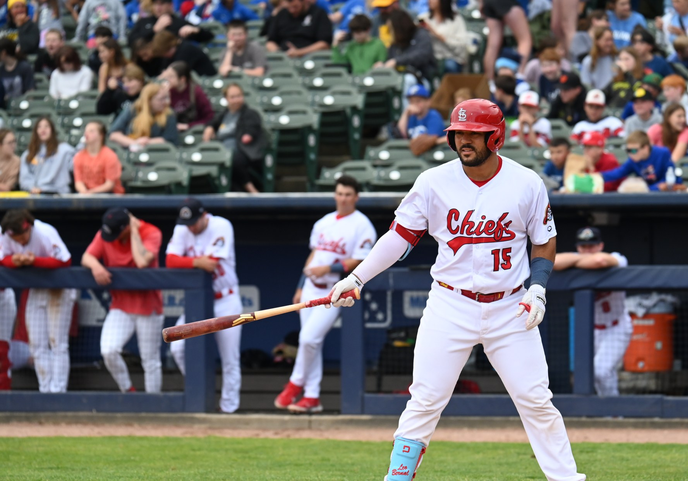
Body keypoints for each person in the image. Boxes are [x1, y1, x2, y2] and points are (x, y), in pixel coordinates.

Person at [324, 98, 586, 480]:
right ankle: (397, 477)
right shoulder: (433, 181)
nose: (465, 140)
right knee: (425, 399)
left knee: (536, 400)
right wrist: (358, 277)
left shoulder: (526, 182)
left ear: (495, 137)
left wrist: (538, 289)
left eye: (474, 133)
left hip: (510, 306)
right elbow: (400, 236)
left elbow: (544, 241)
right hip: (450, 304)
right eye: (459, 133)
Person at [275, 175, 376, 414]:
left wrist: (328, 269)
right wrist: (300, 285)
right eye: (340, 193)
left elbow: (360, 260)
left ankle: (295, 382)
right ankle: (311, 397)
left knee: (309, 339)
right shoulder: (323, 222)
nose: (343, 198)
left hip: (335, 291)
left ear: (356, 197)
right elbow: (313, 258)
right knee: (312, 343)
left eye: (348, 194)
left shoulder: (362, 225)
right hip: (310, 288)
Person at [166, 198, 242, 413]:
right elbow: (170, 260)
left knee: (230, 358)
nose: (190, 227)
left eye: (194, 222)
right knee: (178, 347)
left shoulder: (221, 225)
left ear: (204, 215)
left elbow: (211, 263)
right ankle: (198, 391)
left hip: (226, 299)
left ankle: (228, 409)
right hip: (199, 302)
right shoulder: (182, 228)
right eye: (186, 222)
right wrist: (195, 262)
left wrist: (194, 261)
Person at [82, 208, 164, 393]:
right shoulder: (106, 233)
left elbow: (142, 262)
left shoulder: (151, 232)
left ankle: (153, 406)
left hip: (148, 306)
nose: (113, 237)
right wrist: (96, 266)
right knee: (108, 350)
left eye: (118, 232)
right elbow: (86, 256)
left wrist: (135, 231)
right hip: (121, 305)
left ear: (127, 226)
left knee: (150, 360)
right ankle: (128, 391)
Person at [0, 209, 74, 393]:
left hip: (59, 289)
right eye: (15, 237)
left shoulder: (44, 231)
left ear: (28, 227)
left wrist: (35, 261)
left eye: (21, 236)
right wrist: (14, 260)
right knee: (37, 345)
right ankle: (45, 390)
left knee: (58, 343)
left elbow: (65, 260)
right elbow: (4, 259)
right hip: (36, 289)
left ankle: (58, 392)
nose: (19, 241)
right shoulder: (7, 235)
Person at [554, 227, 631, 396]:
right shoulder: (577, 261)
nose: (588, 250)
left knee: (600, 371)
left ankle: (613, 414)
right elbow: (553, 261)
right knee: (597, 373)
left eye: (592, 246)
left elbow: (600, 262)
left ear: (601, 245)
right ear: (577, 247)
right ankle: (611, 414)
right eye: (583, 247)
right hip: (591, 331)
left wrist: (577, 260)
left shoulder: (617, 258)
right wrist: (581, 259)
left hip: (616, 327)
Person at [203, 83, 268, 193]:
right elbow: (212, 123)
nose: (236, 100)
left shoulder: (250, 113)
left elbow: (252, 127)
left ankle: (252, 190)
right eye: (232, 97)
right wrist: (209, 128)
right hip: (223, 151)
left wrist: (248, 135)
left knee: (232, 158)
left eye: (239, 96)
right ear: (226, 99)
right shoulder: (224, 114)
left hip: (244, 152)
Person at [601, 130, 683, 191]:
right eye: (628, 151)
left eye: (633, 151)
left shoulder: (663, 153)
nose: (630, 154)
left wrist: (649, 188)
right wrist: (598, 176)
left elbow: (669, 178)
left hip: (666, 194)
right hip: (647, 195)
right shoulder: (633, 160)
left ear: (646, 148)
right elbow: (618, 173)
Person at [109, 83, 179, 148]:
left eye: (166, 98)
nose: (165, 102)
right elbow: (114, 135)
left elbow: (169, 139)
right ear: (148, 100)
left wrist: (147, 142)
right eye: (161, 99)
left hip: (156, 152)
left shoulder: (169, 114)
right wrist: (134, 143)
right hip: (130, 150)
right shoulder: (133, 109)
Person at [19, 117, 74, 194]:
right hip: (37, 193)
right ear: (36, 131)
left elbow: (76, 166)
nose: (43, 129)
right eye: (39, 127)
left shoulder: (65, 149)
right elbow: (25, 178)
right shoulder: (28, 154)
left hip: (60, 194)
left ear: (52, 130)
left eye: (46, 126)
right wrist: (32, 187)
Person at [383, 11, 435, 92]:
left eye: (391, 29)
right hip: (398, 78)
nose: (390, 33)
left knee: (407, 80)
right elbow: (390, 61)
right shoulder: (395, 44)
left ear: (399, 27)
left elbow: (422, 55)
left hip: (422, 79)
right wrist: (382, 65)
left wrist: (397, 61)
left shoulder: (421, 34)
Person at [127, 0, 213, 48]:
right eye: (155, 4)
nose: (158, 7)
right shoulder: (144, 21)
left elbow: (208, 35)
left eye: (162, 3)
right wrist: (154, 30)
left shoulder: (177, 22)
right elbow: (131, 40)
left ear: (170, 5)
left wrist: (195, 30)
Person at [481, 0, 532, 80]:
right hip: (508, 3)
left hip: (488, 2)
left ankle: (489, 81)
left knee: (492, 46)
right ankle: (519, 75)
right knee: (524, 40)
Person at [265, 0, 332, 58]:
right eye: (289, 7)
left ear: (304, 1)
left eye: (295, 7)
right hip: (284, 57)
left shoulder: (319, 14)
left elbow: (324, 44)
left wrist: (299, 52)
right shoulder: (282, 14)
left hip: (311, 57)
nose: (292, 10)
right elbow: (270, 42)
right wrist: (280, 53)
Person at [137, 30, 216, 78]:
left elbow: (177, 72)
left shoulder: (186, 49)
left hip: (207, 79)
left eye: (164, 53)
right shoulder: (170, 55)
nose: (164, 56)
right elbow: (163, 70)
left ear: (168, 48)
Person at [161, 61, 214, 132]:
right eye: (167, 76)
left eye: (171, 77)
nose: (168, 80)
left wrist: (189, 126)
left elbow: (209, 117)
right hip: (173, 129)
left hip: (194, 129)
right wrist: (164, 96)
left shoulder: (196, 92)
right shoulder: (167, 92)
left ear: (182, 79)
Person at [73, 121, 124, 194]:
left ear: (101, 135)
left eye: (91, 131)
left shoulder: (110, 156)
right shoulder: (79, 156)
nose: (86, 134)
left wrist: (91, 193)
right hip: (87, 194)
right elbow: (78, 182)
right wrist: (84, 192)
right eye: (86, 131)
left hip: (109, 195)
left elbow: (110, 184)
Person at [421, 0, 467, 74]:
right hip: (430, 59)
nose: (429, 1)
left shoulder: (456, 20)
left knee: (450, 66)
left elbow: (461, 47)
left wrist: (438, 35)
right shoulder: (424, 18)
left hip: (451, 58)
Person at [395, 84, 444, 153]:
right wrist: (406, 113)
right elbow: (401, 134)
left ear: (428, 102)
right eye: (411, 102)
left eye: (418, 101)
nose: (414, 104)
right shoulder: (411, 117)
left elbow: (431, 140)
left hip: (432, 153)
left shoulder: (433, 115)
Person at [0, 38, 34, 103]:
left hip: (22, 105)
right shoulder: (1, 70)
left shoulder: (25, 67)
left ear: (4, 53)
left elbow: (30, 91)